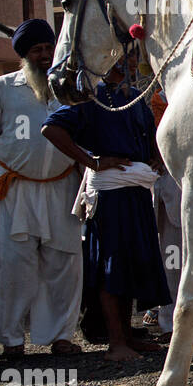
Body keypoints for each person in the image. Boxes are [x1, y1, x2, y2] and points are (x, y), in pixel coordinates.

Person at [42, 52, 170, 361]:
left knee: (133, 263)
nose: (123, 65)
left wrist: (154, 155)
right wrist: (93, 162)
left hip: (137, 191)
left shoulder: (135, 97)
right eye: (116, 59)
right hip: (111, 194)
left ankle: (127, 335)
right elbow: (51, 128)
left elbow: (148, 133)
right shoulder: (92, 97)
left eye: (128, 59)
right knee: (111, 265)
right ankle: (115, 342)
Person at [0, 19, 83, 356]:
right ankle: (10, 340)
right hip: (14, 192)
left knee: (64, 264)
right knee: (14, 264)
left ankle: (62, 336)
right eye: (37, 50)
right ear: (24, 55)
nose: (45, 55)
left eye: (49, 49)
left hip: (63, 188)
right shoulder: (2, 87)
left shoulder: (69, 90)